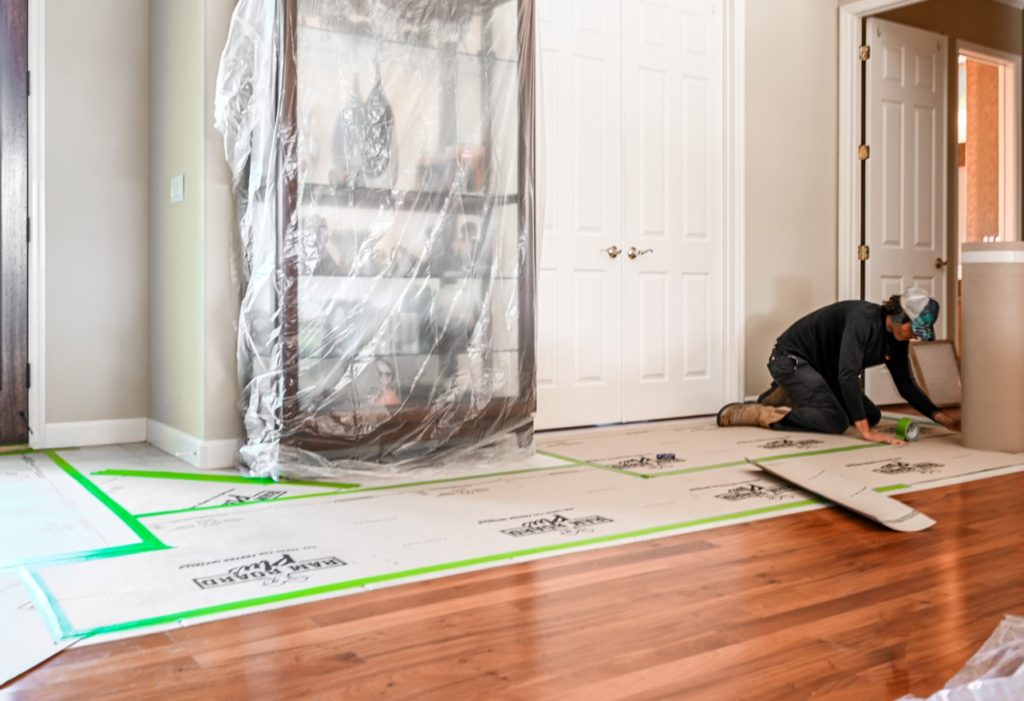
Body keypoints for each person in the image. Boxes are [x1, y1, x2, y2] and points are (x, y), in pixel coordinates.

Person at [717, 287, 960, 445]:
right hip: (791, 359)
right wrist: (866, 433)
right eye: (913, 330)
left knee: (871, 415)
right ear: (899, 317)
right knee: (836, 421)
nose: (914, 336)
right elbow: (847, 375)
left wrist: (941, 418)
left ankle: (789, 394)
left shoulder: (897, 339)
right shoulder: (861, 321)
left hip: (823, 371)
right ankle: (758, 413)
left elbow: (905, 383)